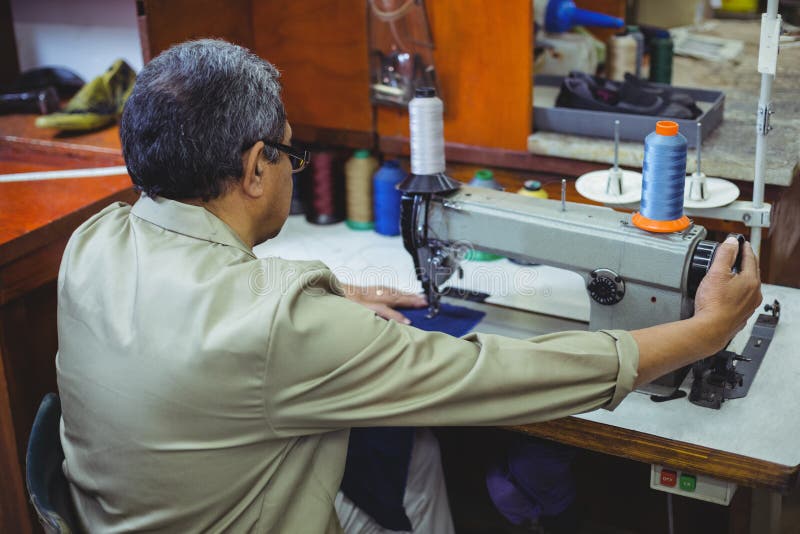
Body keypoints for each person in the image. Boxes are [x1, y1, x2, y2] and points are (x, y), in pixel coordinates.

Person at [56, 39, 762, 534]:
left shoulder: (94, 243)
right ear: (254, 168)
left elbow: (216, 300)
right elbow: (493, 375)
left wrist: (338, 293)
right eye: (292, 151)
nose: (295, 168)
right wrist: (703, 332)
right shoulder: (278, 327)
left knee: (412, 453)